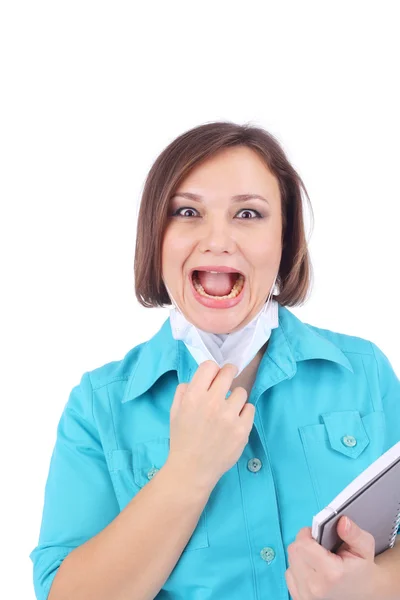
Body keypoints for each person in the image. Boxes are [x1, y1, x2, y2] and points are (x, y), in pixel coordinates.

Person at [29, 121, 400, 600]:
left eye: (248, 214)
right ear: (155, 238)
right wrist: (188, 472)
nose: (218, 239)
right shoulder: (99, 407)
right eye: (187, 211)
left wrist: (376, 586)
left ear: (285, 240)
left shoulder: (363, 372)